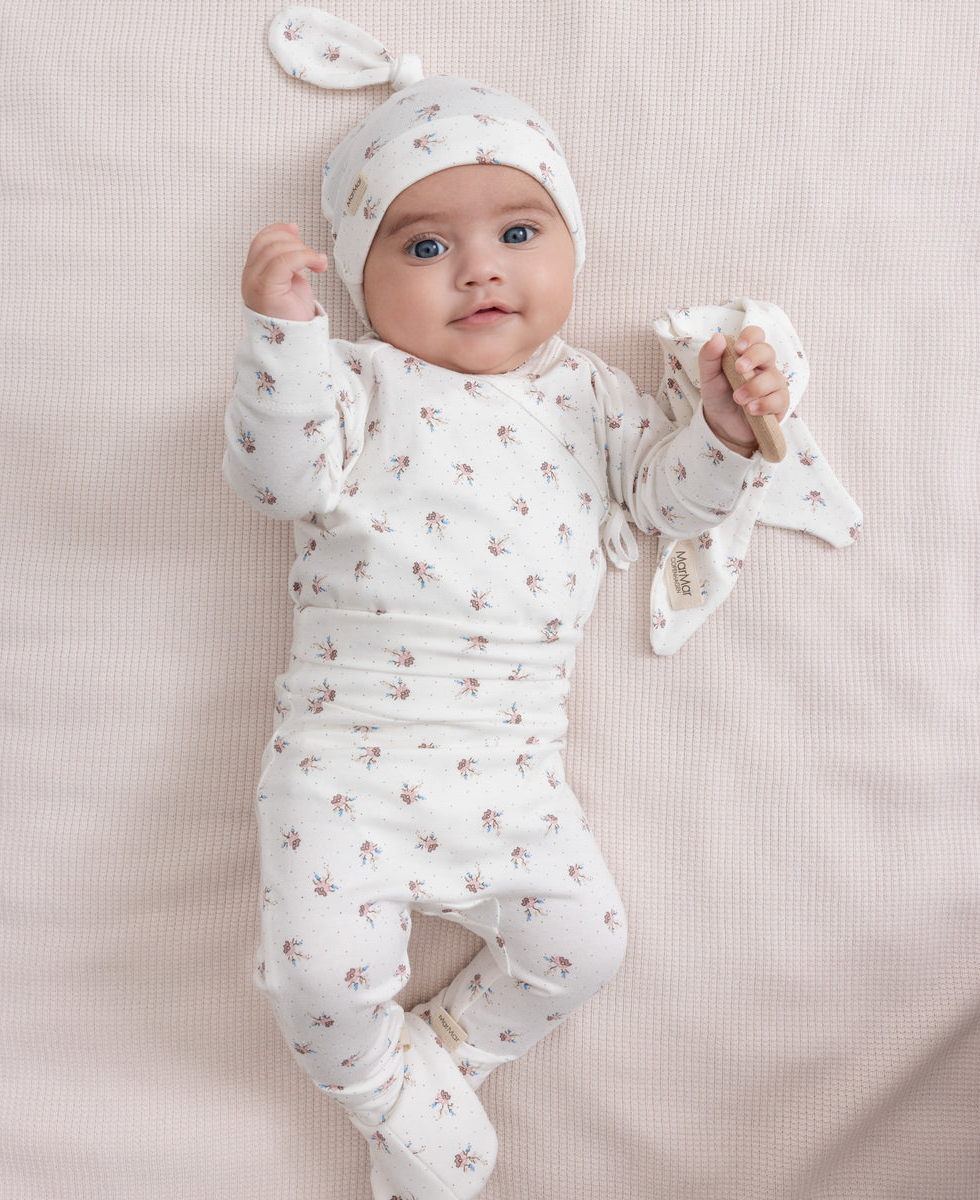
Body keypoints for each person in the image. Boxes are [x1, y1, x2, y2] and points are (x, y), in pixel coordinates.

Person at [224, 9, 795, 1199]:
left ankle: (439, 1061)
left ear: (573, 247)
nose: (480, 268)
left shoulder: (590, 396)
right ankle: (387, 1093)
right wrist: (281, 339)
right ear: (360, 279)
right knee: (314, 978)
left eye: (518, 232)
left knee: (585, 945)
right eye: (425, 247)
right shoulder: (356, 383)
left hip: (509, 768)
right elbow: (276, 480)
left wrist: (723, 430)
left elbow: (668, 503)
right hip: (345, 763)